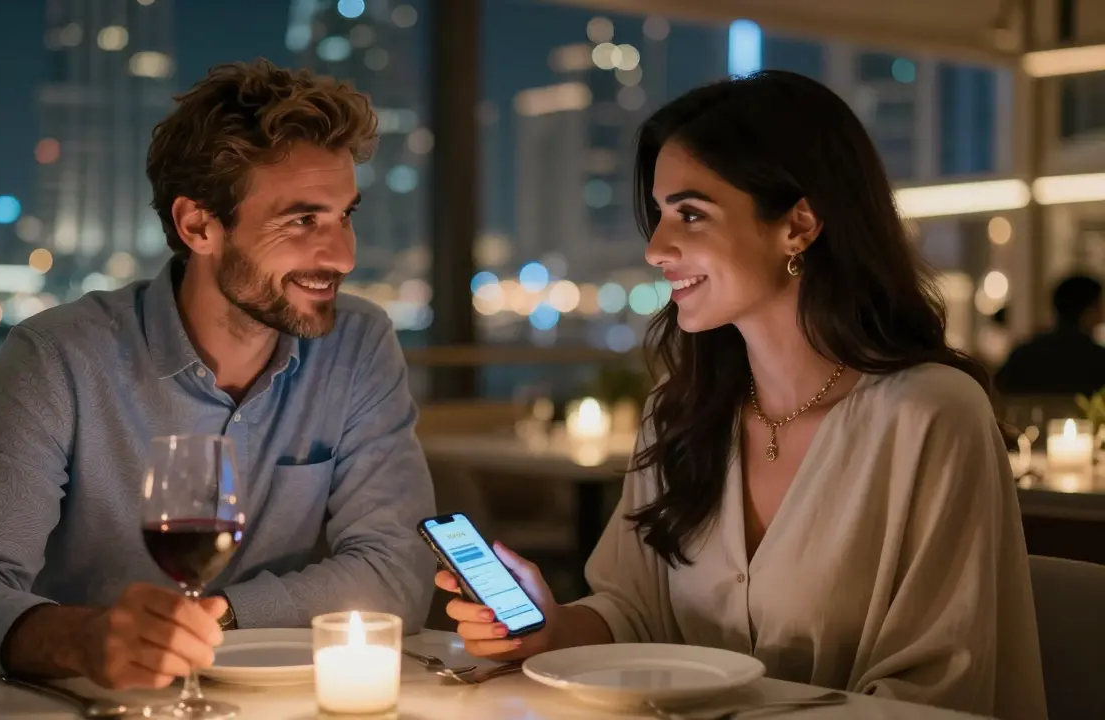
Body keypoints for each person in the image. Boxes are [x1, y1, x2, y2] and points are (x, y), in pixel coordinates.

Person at [437, 71, 1047, 720]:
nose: (655, 248)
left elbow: (935, 694)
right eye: (661, 213)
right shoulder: (678, 413)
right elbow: (634, 613)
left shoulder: (931, 415)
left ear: (799, 225)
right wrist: (550, 629)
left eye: (691, 214)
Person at [0, 60, 436, 689]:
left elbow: (397, 568)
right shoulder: (58, 358)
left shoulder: (357, 345)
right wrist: (83, 639)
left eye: (345, 215)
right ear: (198, 225)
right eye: (303, 220)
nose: (343, 254)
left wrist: (221, 618)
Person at [995, 274, 1105, 396]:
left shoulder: (1022, 355)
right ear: (1089, 310)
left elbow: (999, 392)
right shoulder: (1099, 361)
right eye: (1100, 305)